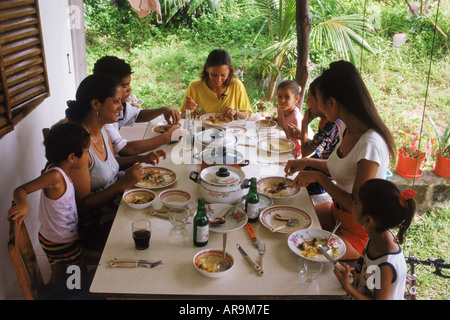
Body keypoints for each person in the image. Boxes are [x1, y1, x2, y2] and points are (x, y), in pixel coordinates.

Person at [284, 61, 396, 260]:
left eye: (318, 100)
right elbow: (341, 167)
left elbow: (357, 207)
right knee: (287, 221)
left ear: (332, 103)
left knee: (300, 250)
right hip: (336, 213)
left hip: (357, 232)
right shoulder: (347, 128)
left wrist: (319, 178)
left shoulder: (370, 144)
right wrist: (305, 163)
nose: (317, 108)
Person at [65, 74, 165, 249]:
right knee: (153, 228)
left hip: (116, 199)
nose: (121, 107)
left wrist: (142, 158)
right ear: (96, 104)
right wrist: (121, 185)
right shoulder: (79, 147)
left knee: (161, 207)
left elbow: (112, 164)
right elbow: (82, 205)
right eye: (116, 102)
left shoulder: (101, 129)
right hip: (95, 221)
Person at [7, 122, 90, 284]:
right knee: (79, 275)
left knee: (61, 274)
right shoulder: (55, 177)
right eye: (87, 152)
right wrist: (23, 205)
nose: (88, 156)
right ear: (72, 157)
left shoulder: (58, 169)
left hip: (56, 237)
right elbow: (21, 190)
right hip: (60, 240)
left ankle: (53, 292)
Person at [334, 179, 416, 300]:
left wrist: (348, 287)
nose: (352, 204)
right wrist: (358, 272)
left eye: (356, 203)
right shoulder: (377, 235)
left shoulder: (386, 266)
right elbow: (372, 272)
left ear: (368, 221)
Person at [93, 55, 181, 156]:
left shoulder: (117, 105)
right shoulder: (102, 117)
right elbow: (126, 149)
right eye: (125, 86)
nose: (130, 90)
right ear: (108, 87)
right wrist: (166, 138)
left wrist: (163, 110)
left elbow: (137, 115)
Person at [287, 77, 342, 201]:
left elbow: (306, 152)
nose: (307, 103)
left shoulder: (332, 126)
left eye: (310, 99)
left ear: (321, 101)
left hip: (321, 184)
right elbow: (315, 147)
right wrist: (301, 134)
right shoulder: (325, 121)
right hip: (313, 173)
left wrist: (305, 123)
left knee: (288, 194)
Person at [180, 49, 252, 120]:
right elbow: (182, 117)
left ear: (229, 71)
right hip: (201, 130)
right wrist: (190, 111)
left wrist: (235, 113)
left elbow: (248, 118)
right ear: (207, 69)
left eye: (223, 75)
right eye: (214, 75)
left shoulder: (236, 85)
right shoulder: (195, 87)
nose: (218, 79)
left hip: (230, 130)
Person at [274, 80, 313, 158]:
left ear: (296, 99)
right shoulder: (280, 109)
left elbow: (299, 143)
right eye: (279, 96)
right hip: (283, 144)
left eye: (287, 97)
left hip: (294, 152)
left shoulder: (296, 117)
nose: (282, 100)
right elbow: (282, 122)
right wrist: (275, 121)